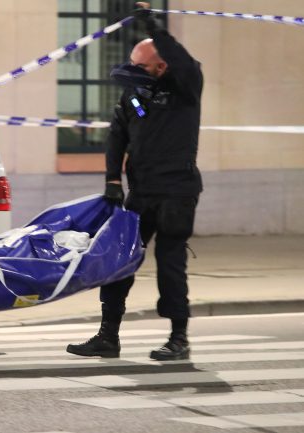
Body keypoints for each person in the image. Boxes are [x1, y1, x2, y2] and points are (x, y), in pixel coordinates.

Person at [67, 3, 203, 361]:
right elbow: (117, 138)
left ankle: (178, 338)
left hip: (176, 192)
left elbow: (179, 56)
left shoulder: (186, 85)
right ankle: (107, 336)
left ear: (162, 66)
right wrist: (113, 180)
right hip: (140, 194)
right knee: (118, 262)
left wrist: (153, 25)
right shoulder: (134, 94)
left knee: (170, 265)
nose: (133, 71)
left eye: (141, 65)